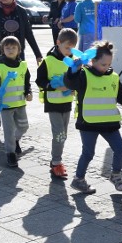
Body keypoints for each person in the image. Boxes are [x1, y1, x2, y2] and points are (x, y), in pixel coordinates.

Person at [63, 40, 122, 195]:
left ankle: (115, 174)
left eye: (108, 64)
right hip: (88, 123)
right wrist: (73, 70)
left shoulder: (114, 77)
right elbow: (70, 84)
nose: (106, 67)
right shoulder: (84, 74)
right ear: (93, 61)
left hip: (109, 123)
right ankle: (78, 179)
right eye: (103, 64)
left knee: (120, 149)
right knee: (88, 153)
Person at [35, 27, 77, 180]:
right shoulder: (48, 61)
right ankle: (56, 162)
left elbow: (77, 79)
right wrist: (53, 86)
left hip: (66, 103)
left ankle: (56, 160)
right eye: (67, 48)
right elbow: (40, 81)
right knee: (59, 134)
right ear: (58, 43)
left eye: (72, 48)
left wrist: (74, 87)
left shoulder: (73, 61)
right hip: (53, 103)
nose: (69, 51)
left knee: (63, 135)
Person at [0, 36, 32, 168]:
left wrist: (28, 92)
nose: (10, 50)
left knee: (24, 127)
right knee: (8, 131)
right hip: (6, 106)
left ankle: (15, 140)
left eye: (13, 47)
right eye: (7, 48)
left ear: (19, 50)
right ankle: (10, 153)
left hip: (20, 104)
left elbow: (27, 82)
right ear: (3, 50)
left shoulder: (23, 66)